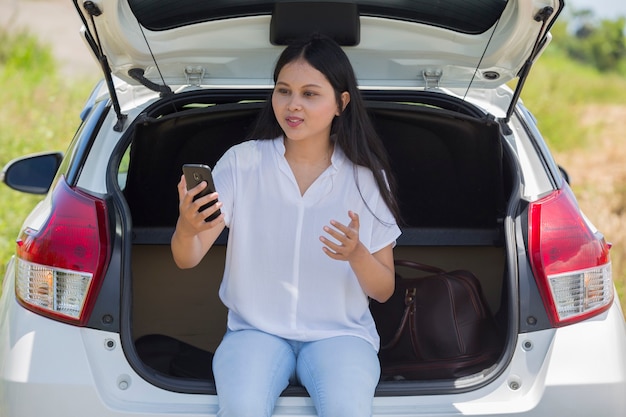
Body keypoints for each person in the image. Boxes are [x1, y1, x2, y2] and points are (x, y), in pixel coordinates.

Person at [171, 33, 402, 417]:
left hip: (341, 337)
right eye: (283, 91)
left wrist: (356, 254)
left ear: (341, 103)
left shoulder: (366, 178)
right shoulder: (242, 163)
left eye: (310, 94)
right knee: (241, 409)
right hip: (253, 334)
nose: (293, 105)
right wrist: (187, 225)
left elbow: (384, 290)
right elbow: (186, 259)